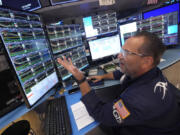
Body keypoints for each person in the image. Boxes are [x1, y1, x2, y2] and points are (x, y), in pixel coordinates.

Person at [57, 31, 180, 135]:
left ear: (147, 61)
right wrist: (103, 76)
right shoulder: (153, 72)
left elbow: (100, 113)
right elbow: (123, 73)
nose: (119, 55)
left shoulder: (136, 101)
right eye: (122, 50)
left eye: (126, 53)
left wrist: (81, 79)